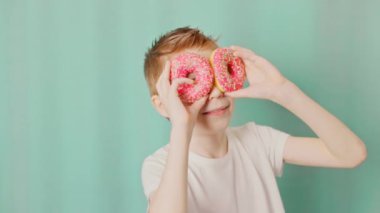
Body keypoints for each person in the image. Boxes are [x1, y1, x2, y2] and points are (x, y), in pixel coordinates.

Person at [141, 26, 367, 213]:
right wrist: (181, 127)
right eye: (193, 81)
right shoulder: (159, 166)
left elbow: (351, 154)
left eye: (219, 75)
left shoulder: (257, 141)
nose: (217, 92)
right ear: (161, 104)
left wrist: (285, 92)